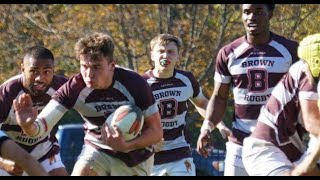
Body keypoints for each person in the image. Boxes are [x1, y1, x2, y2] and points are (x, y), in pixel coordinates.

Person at [13, 32, 163, 176]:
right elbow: (41, 126)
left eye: (96, 67)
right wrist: (28, 126)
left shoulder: (135, 84)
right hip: (97, 150)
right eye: (84, 66)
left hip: (135, 157)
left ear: (112, 65)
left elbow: (156, 132)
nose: (89, 74)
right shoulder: (74, 88)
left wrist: (126, 145)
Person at [196, 4, 299, 176]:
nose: (251, 17)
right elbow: (219, 98)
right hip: (241, 143)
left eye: (258, 11)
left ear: (270, 14)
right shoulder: (228, 53)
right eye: (246, 12)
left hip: (278, 143)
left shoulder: (291, 50)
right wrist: (206, 127)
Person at [143, 33, 231, 176]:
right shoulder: (141, 84)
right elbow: (133, 119)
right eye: (161, 51)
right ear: (152, 55)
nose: (165, 56)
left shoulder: (186, 80)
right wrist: (145, 139)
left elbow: (202, 103)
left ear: (178, 56)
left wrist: (219, 125)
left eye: (170, 52)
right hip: (150, 155)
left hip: (180, 151)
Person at [242, 33, 320, 176]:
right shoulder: (304, 70)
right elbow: (312, 123)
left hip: (294, 151)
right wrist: (310, 163)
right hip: (266, 148)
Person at [0, 46, 69, 176]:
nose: (40, 78)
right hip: (12, 159)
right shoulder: (7, 93)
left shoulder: (62, 87)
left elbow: (88, 94)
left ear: (54, 70)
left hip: (44, 153)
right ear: (23, 69)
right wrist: (3, 163)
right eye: (34, 71)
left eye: (47, 72)